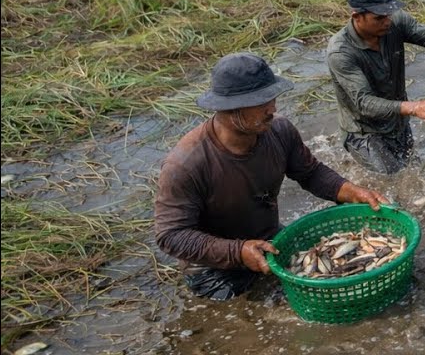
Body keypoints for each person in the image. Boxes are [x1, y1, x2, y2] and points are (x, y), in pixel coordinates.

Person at [154, 52, 387, 301]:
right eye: (262, 102)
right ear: (231, 109)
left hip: (269, 239)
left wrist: (350, 191)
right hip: (213, 268)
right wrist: (237, 251)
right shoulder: (186, 165)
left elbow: (310, 172)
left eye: (272, 98)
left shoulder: (279, 130)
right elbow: (171, 235)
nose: (273, 108)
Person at [327, 0, 425, 174]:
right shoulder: (341, 52)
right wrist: (414, 107)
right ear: (357, 17)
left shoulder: (395, 21)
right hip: (365, 133)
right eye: (379, 17)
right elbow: (364, 103)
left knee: (410, 173)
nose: (387, 21)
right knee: (391, 182)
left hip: (397, 124)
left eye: (389, 14)